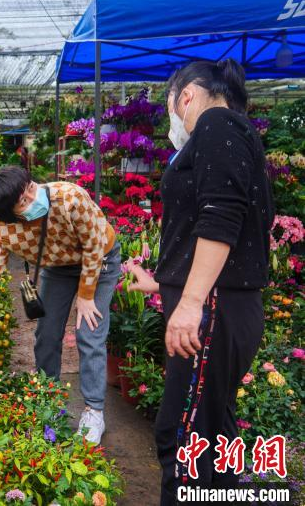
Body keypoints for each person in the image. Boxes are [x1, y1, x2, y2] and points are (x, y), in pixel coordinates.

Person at [126, 59, 274, 505]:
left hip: (212, 311)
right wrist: (164, 285)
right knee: (212, 431)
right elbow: (229, 234)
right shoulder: (233, 131)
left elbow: (221, 217)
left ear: (185, 95)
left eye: (170, 105)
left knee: (182, 437)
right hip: (220, 307)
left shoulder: (216, 123)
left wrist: (190, 303)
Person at [0, 165, 121, 444]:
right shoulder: (3, 229)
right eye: (23, 201)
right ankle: (49, 400)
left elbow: (94, 245)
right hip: (58, 267)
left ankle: (94, 411)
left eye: (30, 187)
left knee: (89, 333)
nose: (33, 197)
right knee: (46, 335)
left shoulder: (70, 198)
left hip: (100, 260)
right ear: (9, 215)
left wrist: (86, 295)